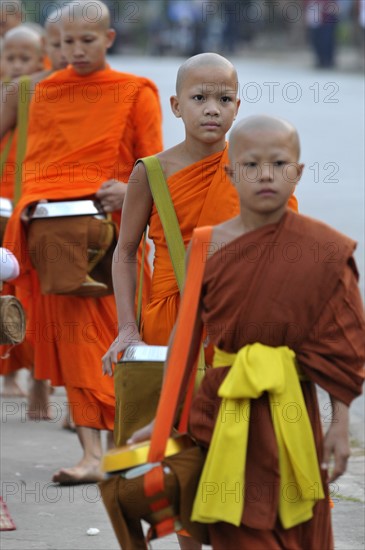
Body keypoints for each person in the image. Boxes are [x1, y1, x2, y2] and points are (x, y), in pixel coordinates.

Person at [131, 115, 364, 549]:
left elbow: (343, 345)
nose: (266, 176)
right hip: (221, 411)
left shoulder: (325, 250)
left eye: (279, 164)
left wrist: (339, 426)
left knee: (295, 532)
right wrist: (163, 425)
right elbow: (184, 342)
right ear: (230, 172)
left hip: (293, 412)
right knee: (234, 530)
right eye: (252, 165)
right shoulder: (206, 244)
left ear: (298, 171)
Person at [102, 53, 297, 550]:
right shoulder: (152, 171)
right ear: (176, 105)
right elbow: (125, 254)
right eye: (199, 98)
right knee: (185, 454)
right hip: (174, 325)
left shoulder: (255, 166)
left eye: (224, 99)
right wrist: (127, 328)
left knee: (246, 452)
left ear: (238, 106)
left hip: (240, 329)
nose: (212, 109)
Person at [3, 0, 163, 484]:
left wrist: (127, 187)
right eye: (67, 42)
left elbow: (154, 163)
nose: (76, 51)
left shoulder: (135, 92)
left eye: (87, 41)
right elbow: (37, 164)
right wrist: (30, 202)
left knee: (120, 335)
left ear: (109, 40)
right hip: (55, 237)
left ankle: (124, 447)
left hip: (114, 236)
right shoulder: (45, 92)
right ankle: (91, 454)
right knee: (71, 345)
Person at [0, 25, 45, 401]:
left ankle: (40, 382)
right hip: (2, 207)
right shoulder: (8, 96)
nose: (17, 65)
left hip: (33, 204)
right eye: (9, 58)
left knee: (33, 294)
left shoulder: (46, 94)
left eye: (24, 59)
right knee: (6, 293)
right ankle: (10, 374)